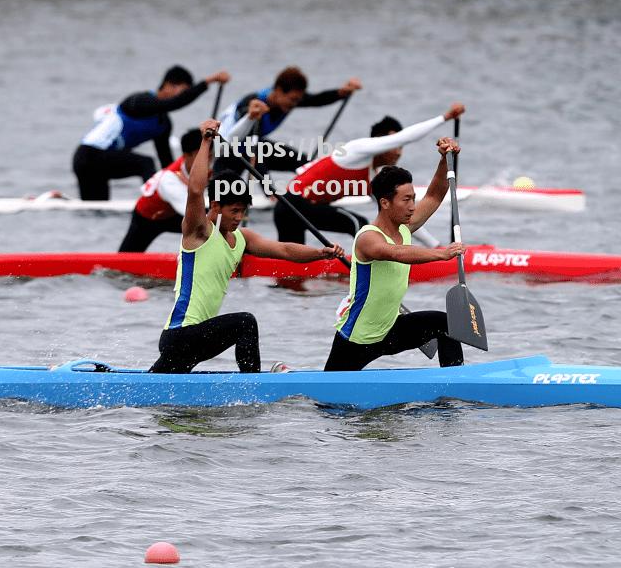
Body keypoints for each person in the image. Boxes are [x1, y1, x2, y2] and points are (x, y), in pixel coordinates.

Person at [149, 119, 344, 374]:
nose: (239, 217)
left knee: (161, 387)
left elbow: (284, 250)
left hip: (197, 338)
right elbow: (196, 191)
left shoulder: (243, 239)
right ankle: (253, 386)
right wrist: (206, 141)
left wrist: (320, 253)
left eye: (243, 211)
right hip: (181, 334)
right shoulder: (199, 231)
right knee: (245, 322)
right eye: (234, 210)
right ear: (216, 206)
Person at [324, 139, 466, 371]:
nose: (412, 206)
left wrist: (446, 159)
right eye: (406, 200)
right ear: (385, 203)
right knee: (328, 403)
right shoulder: (367, 238)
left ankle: (454, 383)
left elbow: (435, 195)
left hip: (390, 329)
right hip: (358, 337)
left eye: (413, 199)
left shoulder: (404, 227)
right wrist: (441, 255)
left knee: (445, 323)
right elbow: (396, 253)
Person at [274, 102, 465, 243]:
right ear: (380, 142)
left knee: (294, 271)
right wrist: (444, 118)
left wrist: (435, 246)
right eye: (394, 145)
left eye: (400, 147)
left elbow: (398, 216)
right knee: (359, 223)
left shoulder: (376, 178)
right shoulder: (357, 150)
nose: (398, 151)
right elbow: (405, 137)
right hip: (292, 203)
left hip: (295, 209)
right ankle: (367, 265)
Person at [118, 99, 270, 252]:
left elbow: (231, 138)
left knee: (218, 225)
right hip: (148, 219)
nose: (207, 160)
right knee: (124, 257)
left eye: (209, 155)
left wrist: (250, 117)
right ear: (187, 155)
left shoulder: (207, 155)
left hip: (177, 213)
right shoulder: (170, 180)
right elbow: (194, 217)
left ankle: (229, 253)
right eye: (202, 155)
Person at [72, 65, 229, 200]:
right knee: (145, 163)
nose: (182, 97)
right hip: (87, 156)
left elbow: (166, 164)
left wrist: (186, 184)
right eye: (183, 92)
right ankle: (154, 202)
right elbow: (176, 103)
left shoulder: (163, 125)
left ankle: (161, 202)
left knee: (98, 210)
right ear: (168, 85)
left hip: (104, 164)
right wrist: (210, 81)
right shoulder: (139, 101)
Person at [215, 66, 362, 174]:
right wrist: (268, 188)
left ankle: (312, 192)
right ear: (278, 90)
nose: (294, 104)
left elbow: (317, 99)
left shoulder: (289, 99)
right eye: (292, 100)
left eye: (298, 100)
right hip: (226, 153)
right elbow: (251, 152)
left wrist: (341, 93)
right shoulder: (253, 105)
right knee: (231, 190)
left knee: (304, 163)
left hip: (255, 149)